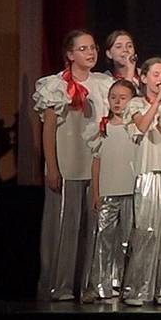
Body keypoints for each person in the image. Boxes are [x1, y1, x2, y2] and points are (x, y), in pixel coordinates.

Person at [34, 30, 113, 302]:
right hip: (67, 164)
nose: (90, 53)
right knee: (62, 228)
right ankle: (59, 285)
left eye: (92, 47)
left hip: (95, 166)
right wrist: (52, 167)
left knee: (92, 227)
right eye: (83, 49)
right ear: (70, 54)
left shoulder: (103, 83)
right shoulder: (55, 86)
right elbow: (48, 130)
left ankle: (86, 285)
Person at [123, 60, 161, 306]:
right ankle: (137, 290)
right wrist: (157, 101)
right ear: (144, 77)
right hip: (148, 172)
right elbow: (141, 126)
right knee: (146, 231)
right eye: (156, 74)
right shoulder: (136, 104)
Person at [85, 81, 141, 303]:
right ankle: (100, 285)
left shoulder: (134, 128)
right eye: (113, 97)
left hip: (130, 190)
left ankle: (126, 284)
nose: (117, 102)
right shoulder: (102, 128)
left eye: (123, 98)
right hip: (108, 191)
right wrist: (96, 192)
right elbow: (96, 162)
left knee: (128, 240)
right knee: (104, 239)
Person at [104, 31, 141, 95]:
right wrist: (130, 73)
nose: (125, 50)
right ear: (109, 54)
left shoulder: (144, 75)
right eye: (119, 47)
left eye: (129, 46)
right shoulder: (104, 79)